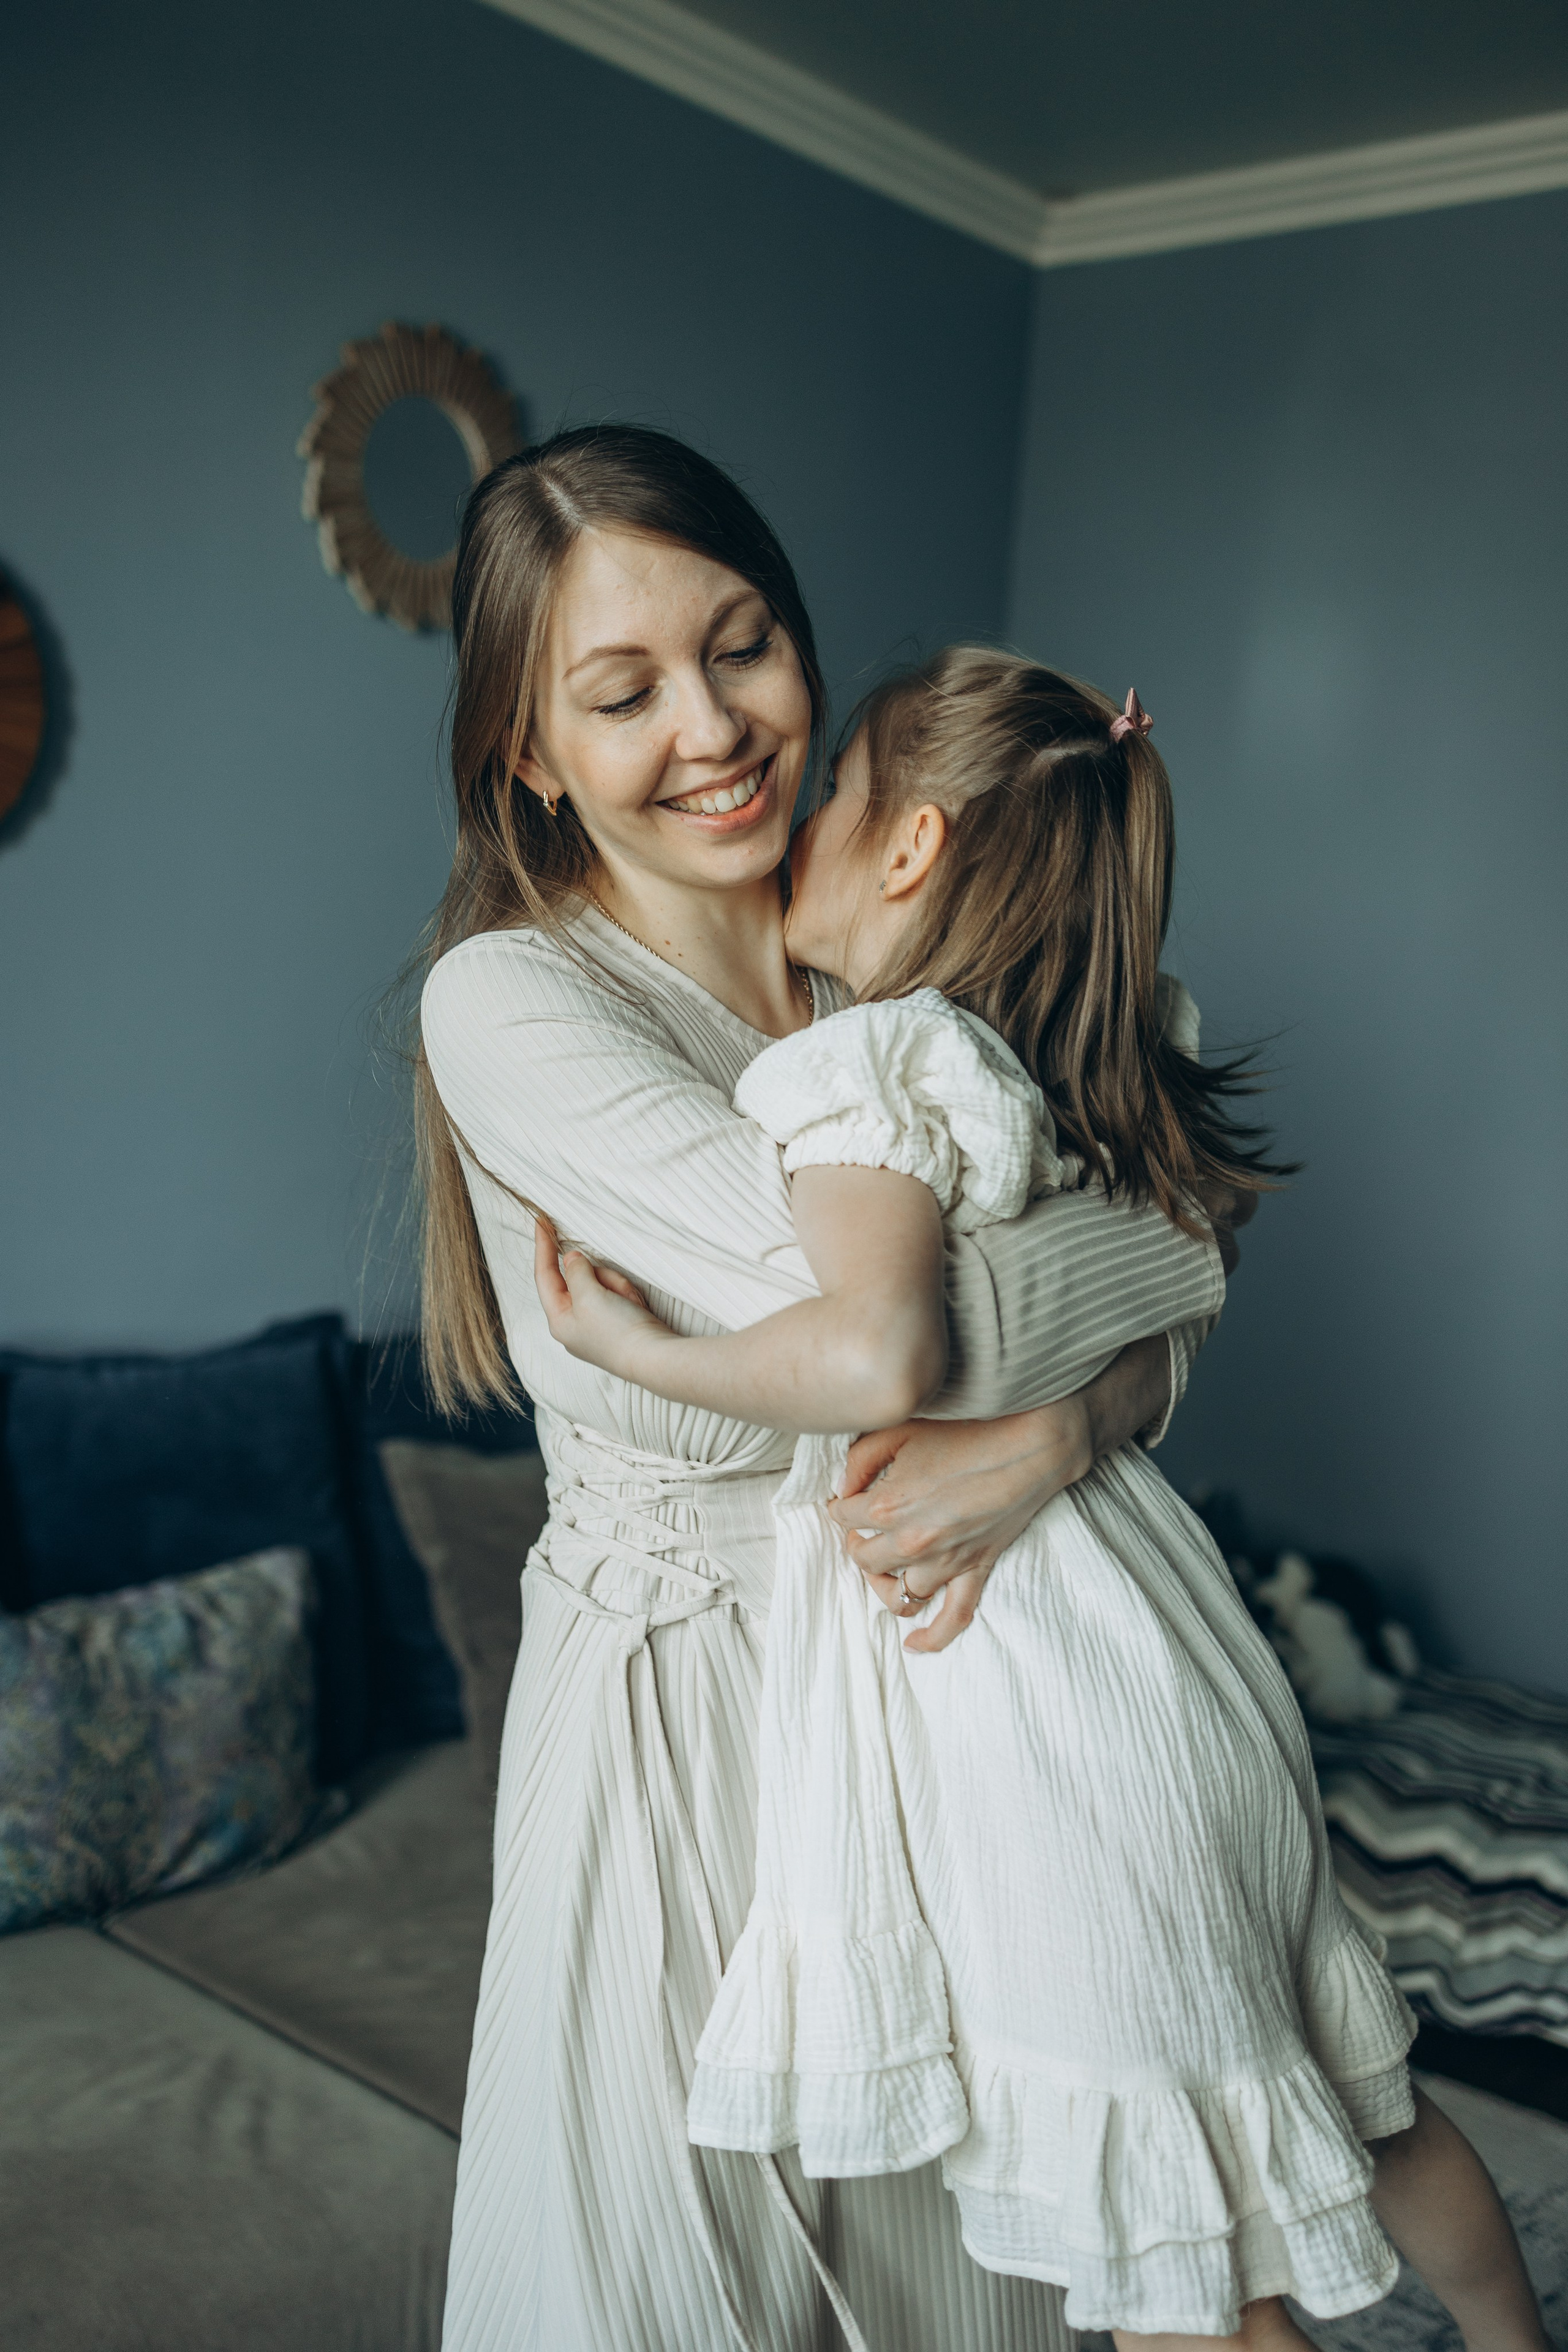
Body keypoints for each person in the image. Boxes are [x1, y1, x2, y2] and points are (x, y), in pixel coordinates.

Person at [535, 648, 1551, 2352]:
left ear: (912, 846)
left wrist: (643, 1349)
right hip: (1187, 1667)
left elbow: (877, 1349)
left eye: (838, 798)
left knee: (1182, 2267)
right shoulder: (1094, 1056)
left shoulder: (872, 1068)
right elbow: (1165, 1287)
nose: (801, 832)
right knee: (1351, 2102)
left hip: (1059, 1728)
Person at [420, 425, 1234, 2352]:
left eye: (745, 646)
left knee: (975, 2276)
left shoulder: (914, 938)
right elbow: (932, 1316)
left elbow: (1177, 1211)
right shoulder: (515, 1006)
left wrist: (1073, 1424)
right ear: (532, 754)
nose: (713, 728)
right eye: (621, 694)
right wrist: (1142, 1282)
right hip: (683, 1723)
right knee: (654, 2287)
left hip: (958, 1712)